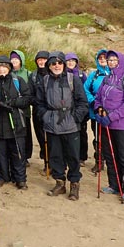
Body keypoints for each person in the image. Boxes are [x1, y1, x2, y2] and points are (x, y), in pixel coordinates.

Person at [36, 51, 89, 200]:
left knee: (73, 156)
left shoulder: (73, 80)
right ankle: (60, 182)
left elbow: (82, 102)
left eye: (59, 63)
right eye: (53, 63)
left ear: (64, 64)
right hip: (51, 124)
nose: (56, 65)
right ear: (49, 65)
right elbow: (39, 103)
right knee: (55, 156)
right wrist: (46, 117)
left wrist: (75, 118)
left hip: (70, 124)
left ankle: (74, 184)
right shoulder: (44, 81)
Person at [94, 50, 124, 203]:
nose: (112, 62)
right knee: (111, 156)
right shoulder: (106, 79)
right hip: (106, 125)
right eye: (109, 60)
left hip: (123, 126)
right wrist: (98, 110)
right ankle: (114, 184)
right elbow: (98, 97)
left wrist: (111, 116)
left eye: (114, 60)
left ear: (121, 61)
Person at [0, 55, 32, 189]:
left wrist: (13, 103)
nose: (1, 70)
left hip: (16, 122)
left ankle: (20, 178)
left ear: (9, 68)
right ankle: (3, 176)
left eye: (4, 67)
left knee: (18, 152)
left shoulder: (17, 80)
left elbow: (27, 98)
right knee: (1, 152)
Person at [83, 50, 110, 173]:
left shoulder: (115, 74)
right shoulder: (93, 75)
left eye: (105, 57)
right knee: (98, 137)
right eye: (100, 58)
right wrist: (93, 102)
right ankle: (99, 161)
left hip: (112, 113)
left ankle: (111, 161)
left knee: (111, 138)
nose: (102, 59)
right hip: (95, 113)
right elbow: (85, 90)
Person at [10, 50, 33, 165]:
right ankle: (17, 155)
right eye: (12, 59)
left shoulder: (28, 74)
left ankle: (26, 156)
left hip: (25, 111)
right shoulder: (7, 73)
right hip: (11, 110)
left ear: (21, 60)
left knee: (26, 134)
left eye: (16, 59)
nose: (14, 61)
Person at [65, 52, 89, 166]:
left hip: (79, 108)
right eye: (68, 60)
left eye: (73, 61)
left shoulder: (81, 75)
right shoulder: (62, 74)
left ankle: (82, 157)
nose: (70, 63)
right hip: (66, 109)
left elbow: (85, 91)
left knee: (82, 133)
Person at [29, 50, 49, 170]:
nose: (41, 62)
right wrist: (38, 103)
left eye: (44, 59)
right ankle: (46, 163)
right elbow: (30, 94)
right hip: (37, 111)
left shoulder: (53, 73)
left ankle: (53, 163)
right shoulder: (33, 75)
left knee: (52, 139)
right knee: (41, 138)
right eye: (39, 60)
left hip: (52, 112)